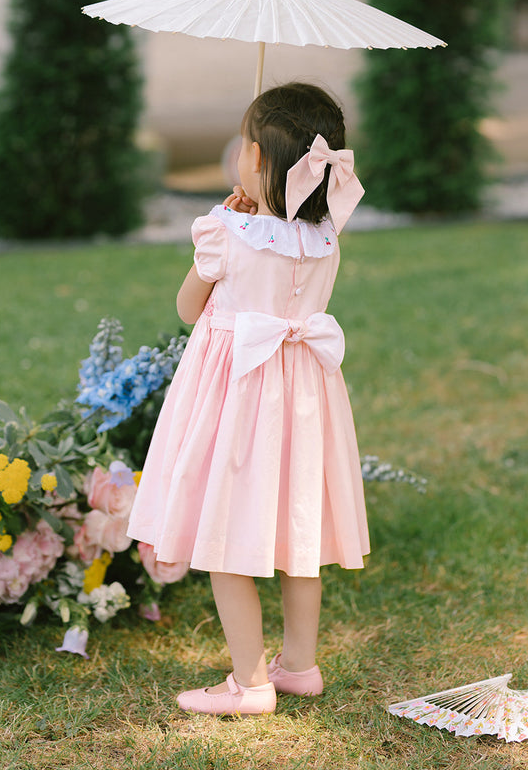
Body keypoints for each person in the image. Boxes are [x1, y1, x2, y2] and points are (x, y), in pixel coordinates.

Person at [127, 82, 370, 715]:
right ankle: (300, 666)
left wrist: (225, 230)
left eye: (244, 143)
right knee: (298, 531)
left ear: (255, 157)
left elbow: (188, 308)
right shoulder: (326, 236)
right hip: (303, 399)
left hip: (236, 395)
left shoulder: (224, 232)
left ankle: (250, 681)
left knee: (226, 533)